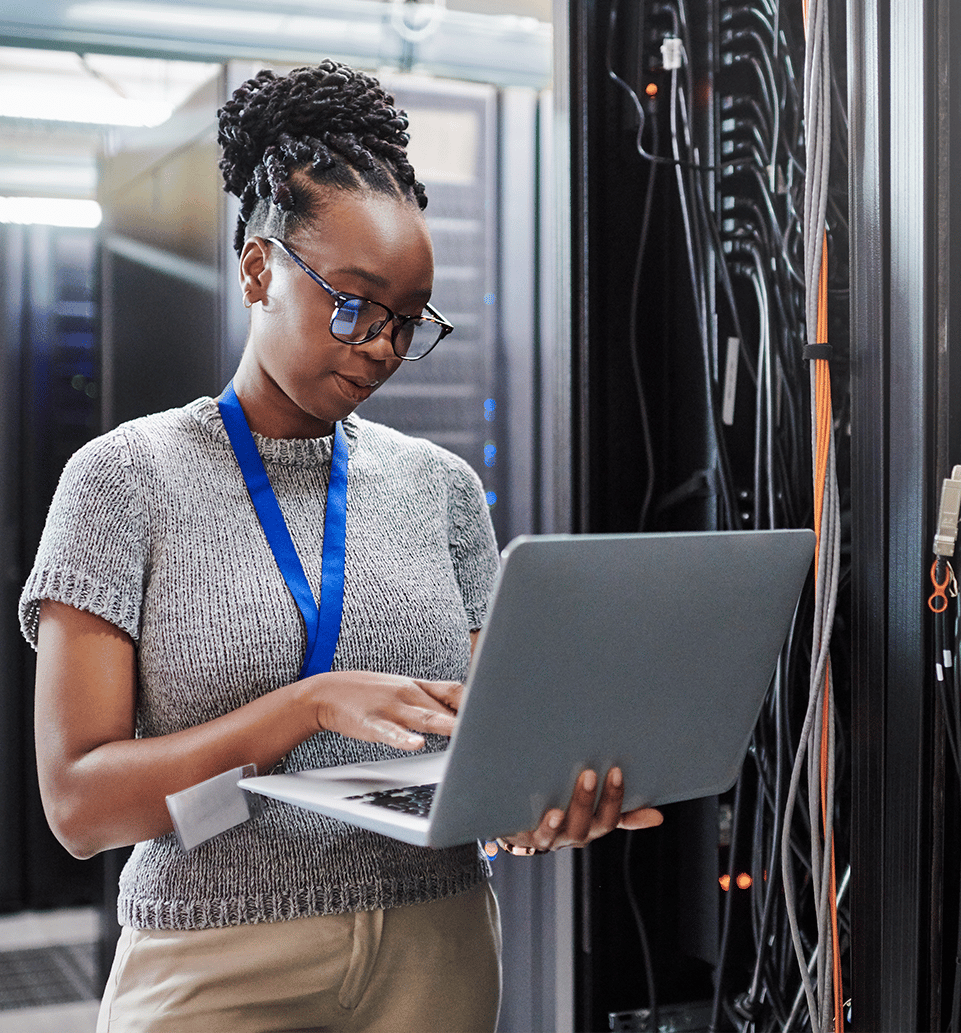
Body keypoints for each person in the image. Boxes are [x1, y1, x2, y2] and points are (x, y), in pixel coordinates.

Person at [19, 59, 662, 1032]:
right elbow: (79, 808)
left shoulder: (440, 489)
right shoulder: (124, 480)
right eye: (354, 303)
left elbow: (489, 746)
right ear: (258, 268)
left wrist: (540, 805)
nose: (380, 348)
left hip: (433, 942)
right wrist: (306, 705)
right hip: (212, 957)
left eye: (409, 323)